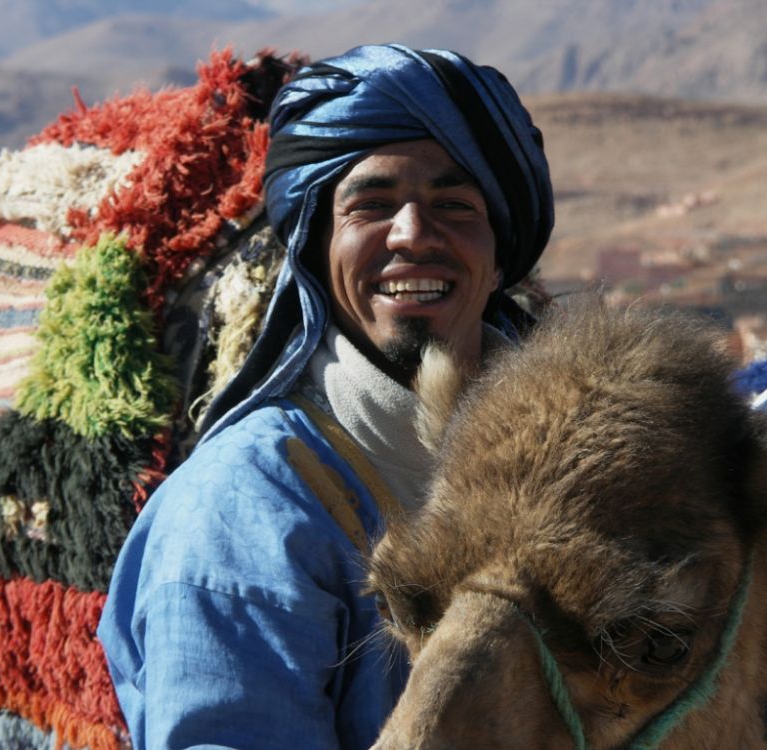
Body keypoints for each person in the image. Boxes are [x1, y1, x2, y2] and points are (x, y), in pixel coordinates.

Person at [98, 43, 553, 749]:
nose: (412, 234)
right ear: (316, 251)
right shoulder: (243, 517)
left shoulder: (577, 476)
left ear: (499, 260)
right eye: (371, 204)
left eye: (454, 204)